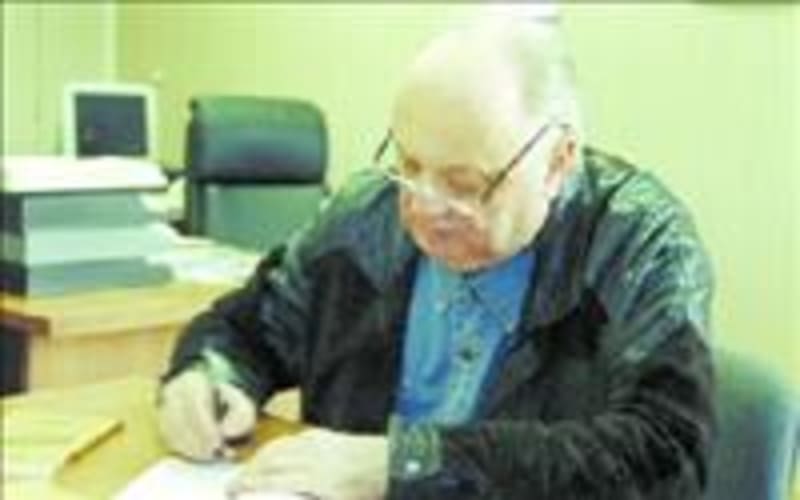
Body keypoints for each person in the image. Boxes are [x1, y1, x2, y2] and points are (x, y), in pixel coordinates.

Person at [157, 17, 715, 500]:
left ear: (557, 162)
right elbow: (248, 327)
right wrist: (207, 376)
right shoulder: (367, 215)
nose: (423, 206)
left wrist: (407, 466)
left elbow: (668, 453)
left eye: (464, 184)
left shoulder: (637, 243)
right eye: (409, 164)